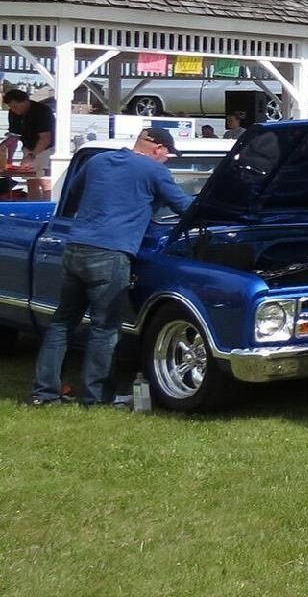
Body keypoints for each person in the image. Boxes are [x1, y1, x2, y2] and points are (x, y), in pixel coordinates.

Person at [30, 128, 191, 406]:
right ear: (158, 149)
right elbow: (185, 208)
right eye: (168, 155)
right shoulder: (154, 171)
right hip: (111, 252)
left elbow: (76, 194)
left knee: (62, 322)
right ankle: (97, 397)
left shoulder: (98, 161)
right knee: (105, 327)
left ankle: (44, 393)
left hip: (76, 246)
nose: (167, 160)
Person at [3, 88, 56, 200]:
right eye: (11, 107)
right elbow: (14, 136)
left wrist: (31, 156)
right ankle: (33, 209)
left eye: (15, 107)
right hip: (28, 147)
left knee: (44, 181)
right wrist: (8, 159)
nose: (13, 110)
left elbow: (45, 138)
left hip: (47, 148)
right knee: (31, 181)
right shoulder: (13, 113)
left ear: (25, 101)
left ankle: (48, 209)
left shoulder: (42, 111)